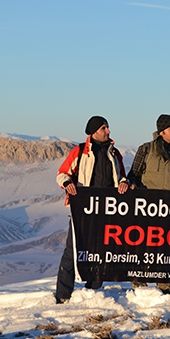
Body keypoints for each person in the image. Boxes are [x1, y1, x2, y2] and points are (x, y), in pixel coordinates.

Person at [54, 116, 129, 304]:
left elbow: (122, 176)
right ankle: (63, 295)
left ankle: (92, 291)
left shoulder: (114, 153)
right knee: (73, 250)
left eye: (108, 127)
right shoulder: (80, 152)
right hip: (83, 210)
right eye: (104, 128)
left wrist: (123, 184)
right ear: (93, 131)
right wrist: (67, 183)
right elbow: (62, 174)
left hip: (108, 209)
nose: (108, 131)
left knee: (101, 251)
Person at [127, 114, 170, 293]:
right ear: (161, 131)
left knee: (169, 246)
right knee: (145, 245)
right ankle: (139, 282)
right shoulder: (146, 149)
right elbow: (135, 174)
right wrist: (130, 184)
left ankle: (165, 285)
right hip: (150, 209)